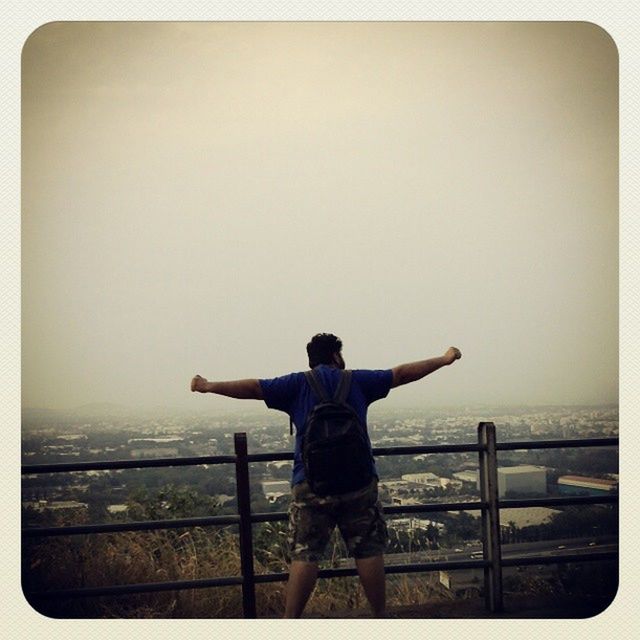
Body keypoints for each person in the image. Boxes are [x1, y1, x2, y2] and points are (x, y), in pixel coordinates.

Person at [191, 333, 462, 618]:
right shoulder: (357, 381)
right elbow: (402, 374)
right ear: (336, 356)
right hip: (358, 481)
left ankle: (290, 622)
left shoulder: (296, 384)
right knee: (367, 550)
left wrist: (208, 386)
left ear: (311, 360)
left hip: (310, 483)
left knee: (306, 553)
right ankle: (380, 618)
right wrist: (444, 360)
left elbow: (253, 388)